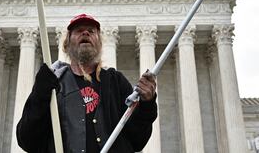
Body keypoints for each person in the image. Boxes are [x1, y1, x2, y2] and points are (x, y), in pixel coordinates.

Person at [16, 13, 157, 153]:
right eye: (78, 31)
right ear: (66, 43)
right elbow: (27, 140)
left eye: (91, 31)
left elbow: (138, 140)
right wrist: (40, 94)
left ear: (99, 44)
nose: (85, 33)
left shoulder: (115, 81)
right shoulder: (53, 84)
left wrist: (147, 104)